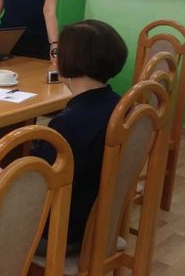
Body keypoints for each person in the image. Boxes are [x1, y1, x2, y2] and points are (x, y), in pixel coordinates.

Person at [31, 19, 127, 253]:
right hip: (97, 223)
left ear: (68, 61)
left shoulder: (68, 125)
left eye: (57, 53)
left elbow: (34, 184)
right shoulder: (121, 107)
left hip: (59, 232)